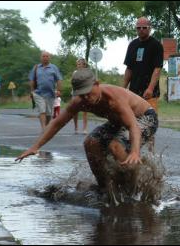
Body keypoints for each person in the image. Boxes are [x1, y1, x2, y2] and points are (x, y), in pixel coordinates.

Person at [15, 68, 158, 191]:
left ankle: (133, 187)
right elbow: (57, 123)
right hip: (118, 123)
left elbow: (133, 126)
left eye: (89, 93)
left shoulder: (114, 99)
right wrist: (35, 147)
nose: (87, 98)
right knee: (90, 143)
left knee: (115, 146)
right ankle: (105, 187)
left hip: (145, 118)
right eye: (82, 95)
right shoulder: (80, 102)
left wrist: (134, 151)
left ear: (97, 84)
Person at [123, 16, 164, 152]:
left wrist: (150, 88)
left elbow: (157, 69)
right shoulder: (132, 45)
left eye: (144, 28)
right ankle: (134, 151)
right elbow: (129, 69)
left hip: (149, 93)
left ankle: (151, 153)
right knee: (132, 122)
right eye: (138, 28)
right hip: (133, 92)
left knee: (148, 123)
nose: (141, 30)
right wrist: (122, 89)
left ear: (149, 28)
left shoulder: (156, 45)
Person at [29, 51, 62, 132]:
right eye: (43, 56)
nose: (45, 58)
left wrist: (59, 90)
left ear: (49, 57)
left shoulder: (54, 67)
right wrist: (32, 91)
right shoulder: (36, 67)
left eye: (47, 56)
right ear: (41, 58)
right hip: (38, 93)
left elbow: (59, 79)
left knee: (49, 113)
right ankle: (44, 128)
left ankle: (46, 127)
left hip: (50, 94)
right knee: (42, 110)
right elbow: (32, 80)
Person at [72, 58, 88, 134]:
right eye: (77, 64)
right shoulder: (75, 72)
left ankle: (84, 128)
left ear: (84, 65)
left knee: (85, 111)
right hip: (76, 93)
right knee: (75, 111)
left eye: (80, 64)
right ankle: (76, 127)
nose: (78, 66)